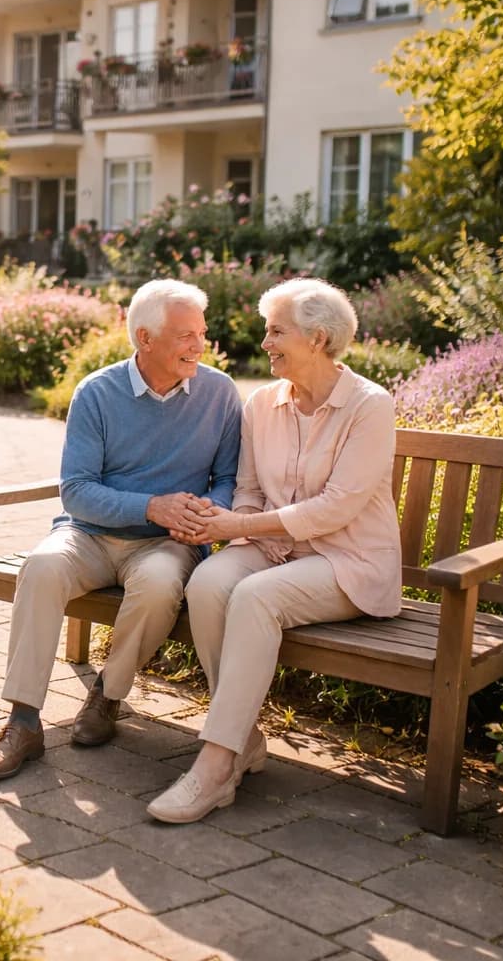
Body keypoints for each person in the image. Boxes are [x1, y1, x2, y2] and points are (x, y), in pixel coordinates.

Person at [147, 277, 401, 823]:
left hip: (347, 561)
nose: (265, 343)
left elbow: (336, 508)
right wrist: (230, 527)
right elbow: (248, 491)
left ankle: (216, 768)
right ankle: (243, 736)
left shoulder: (369, 406)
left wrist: (242, 525)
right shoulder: (263, 403)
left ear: (318, 338)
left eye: (276, 331)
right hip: (277, 550)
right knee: (209, 583)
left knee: (256, 598)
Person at [0, 279, 242, 779]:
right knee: (42, 566)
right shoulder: (97, 392)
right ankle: (23, 721)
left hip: (166, 545)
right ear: (145, 338)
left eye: (201, 333)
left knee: (161, 585)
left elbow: (227, 477)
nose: (198, 345)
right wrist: (151, 506)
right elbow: (75, 489)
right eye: (185, 335)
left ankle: (107, 694)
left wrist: (209, 516)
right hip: (90, 534)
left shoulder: (220, 393)